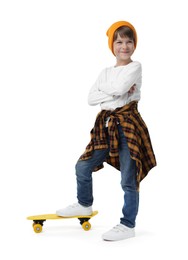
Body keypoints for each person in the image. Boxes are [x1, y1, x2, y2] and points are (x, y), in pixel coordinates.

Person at [56, 21, 156, 241]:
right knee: (83, 165)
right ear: (112, 45)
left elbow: (120, 90)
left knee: (129, 180)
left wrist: (108, 91)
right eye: (119, 41)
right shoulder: (105, 71)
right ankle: (84, 204)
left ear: (134, 45)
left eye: (129, 41)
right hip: (106, 125)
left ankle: (127, 225)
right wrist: (114, 93)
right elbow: (91, 99)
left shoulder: (135, 66)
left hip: (127, 124)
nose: (124, 46)